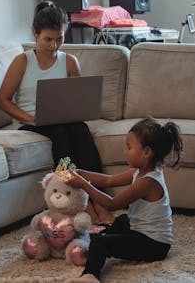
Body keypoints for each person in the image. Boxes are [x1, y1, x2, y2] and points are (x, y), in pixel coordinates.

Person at [0, 0, 114, 224]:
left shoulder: (70, 62)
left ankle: (101, 202)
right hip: (30, 122)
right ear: (35, 34)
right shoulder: (22, 61)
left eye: (59, 39)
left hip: (62, 120)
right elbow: (3, 100)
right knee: (60, 135)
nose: (53, 45)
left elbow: (78, 99)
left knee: (80, 130)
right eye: (47, 39)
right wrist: (30, 118)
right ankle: (85, 204)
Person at [64, 117, 183, 283]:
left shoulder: (147, 182)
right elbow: (108, 180)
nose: (125, 151)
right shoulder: (139, 171)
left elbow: (112, 204)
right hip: (141, 230)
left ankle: (90, 275)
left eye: (129, 146)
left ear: (146, 152)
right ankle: (102, 239)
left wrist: (83, 185)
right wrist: (81, 173)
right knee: (121, 220)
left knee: (100, 243)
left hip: (154, 244)